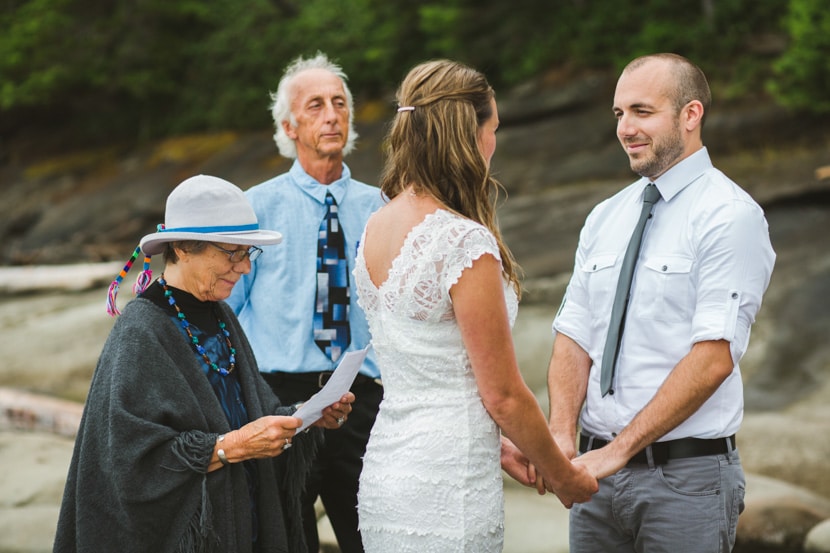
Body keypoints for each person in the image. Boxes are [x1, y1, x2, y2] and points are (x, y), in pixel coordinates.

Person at [353, 59, 598, 553]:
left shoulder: (377, 225)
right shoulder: (462, 241)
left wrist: (505, 445)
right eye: (493, 128)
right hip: (448, 487)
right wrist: (562, 474)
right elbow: (503, 393)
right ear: (470, 133)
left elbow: (430, 364)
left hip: (388, 473)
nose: (494, 144)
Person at [547, 53, 776, 552]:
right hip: (592, 482)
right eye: (618, 114)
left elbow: (713, 357)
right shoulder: (605, 216)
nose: (625, 128)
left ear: (690, 115)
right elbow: (574, 334)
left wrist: (620, 449)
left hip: (685, 484)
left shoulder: (729, 216)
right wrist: (561, 436)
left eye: (642, 112)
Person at [54, 175, 354, 553]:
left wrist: (303, 417)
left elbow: (250, 409)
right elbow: (128, 463)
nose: (245, 268)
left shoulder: (222, 315)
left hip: (242, 528)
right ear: (182, 247)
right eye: (233, 253)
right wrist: (230, 447)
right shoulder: (140, 330)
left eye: (249, 253)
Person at [226, 52, 384, 553]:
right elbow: (225, 312)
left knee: (373, 539)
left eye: (340, 103)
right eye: (315, 105)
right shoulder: (255, 209)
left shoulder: (382, 208)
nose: (332, 114)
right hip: (277, 402)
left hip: (362, 401)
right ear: (289, 126)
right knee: (285, 540)